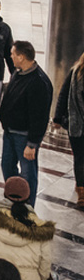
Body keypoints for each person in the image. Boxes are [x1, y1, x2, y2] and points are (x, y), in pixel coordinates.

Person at [0, 41, 53, 206]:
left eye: (13, 54)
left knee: (28, 174)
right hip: (10, 131)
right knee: (7, 167)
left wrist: (32, 144)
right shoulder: (18, 72)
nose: (11, 57)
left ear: (21, 57)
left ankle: (27, 207)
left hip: (24, 137)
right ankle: (14, 200)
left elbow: (40, 116)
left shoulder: (39, 82)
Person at [53, 49, 84, 206]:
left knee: (80, 158)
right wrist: (57, 118)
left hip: (76, 124)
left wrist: (58, 118)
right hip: (77, 125)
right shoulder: (74, 73)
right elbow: (63, 95)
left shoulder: (75, 72)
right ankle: (82, 192)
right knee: (80, 158)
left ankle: (81, 190)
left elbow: (63, 95)